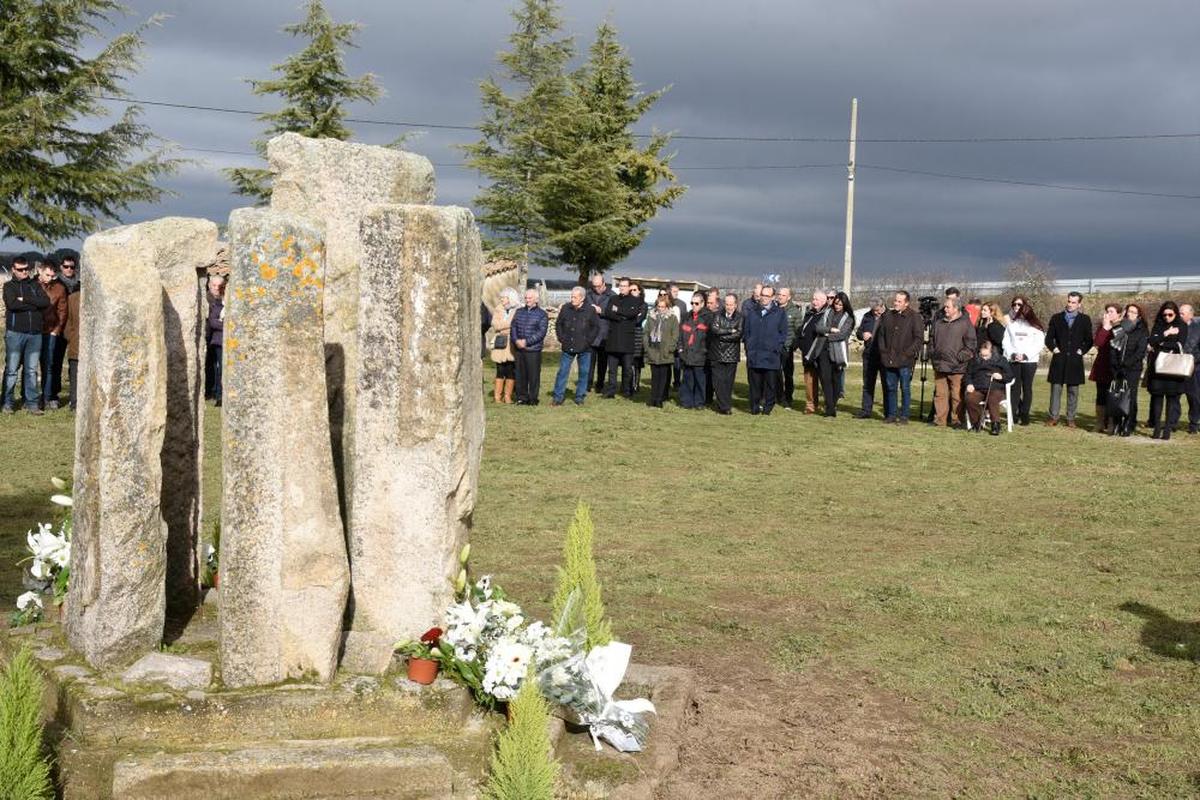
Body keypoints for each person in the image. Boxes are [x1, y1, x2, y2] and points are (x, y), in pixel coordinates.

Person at [3, 254, 50, 414]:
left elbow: (45, 302)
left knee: (31, 370)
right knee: (12, 369)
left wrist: (26, 299)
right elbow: (12, 304)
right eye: (20, 269)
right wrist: (33, 305)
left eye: (26, 269)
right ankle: (7, 403)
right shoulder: (9, 287)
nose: (24, 272)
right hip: (15, 333)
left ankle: (31, 403)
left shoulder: (35, 286)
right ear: (13, 270)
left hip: (35, 334)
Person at [1043, 292, 1093, 428]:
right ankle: (1053, 417)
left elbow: (1089, 340)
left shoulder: (1085, 319)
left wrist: (1081, 351)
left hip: (1075, 361)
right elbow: (1048, 338)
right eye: (1069, 301)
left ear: (1079, 304)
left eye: (1074, 302)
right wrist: (1055, 349)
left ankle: (1071, 418)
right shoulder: (1056, 318)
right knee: (1056, 389)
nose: (1070, 304)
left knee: (1073, 391)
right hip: (1059, 359)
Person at [874, 290, 924, 424]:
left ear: (906, 303)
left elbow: (918, 339)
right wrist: (883, 353)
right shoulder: (888, 315)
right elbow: (881, 336)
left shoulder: (914, 317)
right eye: (895, 300)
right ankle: (891, 415)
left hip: (905, 361)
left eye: (899, 301)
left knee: (905, 388)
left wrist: (907, 354)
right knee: (890, 388)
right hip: (888, 359)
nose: (896, 303)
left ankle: (904, 416)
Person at [930, 297, 976, 428]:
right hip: (940, 365)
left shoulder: (965, 324)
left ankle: (957, 420)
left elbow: (971, 344)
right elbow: (932, 340)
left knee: (957, 396)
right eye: (944, 306)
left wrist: (960, 357)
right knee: (940, 395)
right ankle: (940, 420)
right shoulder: (938, 323)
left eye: (947, 307)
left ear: (956, 308)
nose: (945, 309)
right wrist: (933, 353)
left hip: (957, 367)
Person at [1146, 301, 1188, 440]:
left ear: (1175, 314)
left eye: (1170, 314)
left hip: (1174, 367)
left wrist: (1162, 343)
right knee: (1157, 397)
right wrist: (1167, 333)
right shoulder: (1159, 325)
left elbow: (1180, 344)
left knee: (1172, 398)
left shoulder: (1182, 325)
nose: (1167, 317)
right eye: (1164, 315)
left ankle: (1168, 429)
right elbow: (1152, 341)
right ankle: (1157, 428)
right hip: (1158, 366)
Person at [743, 285, 787, 414]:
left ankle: (768, 408)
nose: (764, 298)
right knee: (755, 384)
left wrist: (776, 348)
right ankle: (754, 407)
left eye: (767, 296)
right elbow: (747, 331)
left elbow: (783, 333)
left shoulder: (779, 313)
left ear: (773, 297)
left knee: (770, 385)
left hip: (771, 356)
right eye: (762, 295)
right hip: (754, 354)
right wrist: (749, 348)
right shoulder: (752, 312)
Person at [552, 287, 599, 406]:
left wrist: (588, 341)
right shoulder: (565, 308)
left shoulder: (590, 310)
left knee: (583, 373)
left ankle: (580, 397)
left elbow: (595, 327)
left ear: (582, 298)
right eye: (571, 296)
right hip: (567, 345)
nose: (572, 299)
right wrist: (561, 338)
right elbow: (559, 324)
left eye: (575, 297)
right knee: (562, 371)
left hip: (585, 348)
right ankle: (558, 397)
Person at [1003, 296, 1044, 426]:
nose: (1016, 308)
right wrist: (1012, 354)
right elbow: (1006, 342)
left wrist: (1026, 356)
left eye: (1019, 305)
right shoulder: (1011, 325)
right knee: (1014, 388)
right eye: (1014, 305)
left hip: (1029, 362)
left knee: (1027, 388)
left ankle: (1025, 414)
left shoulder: (1035, 327)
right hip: (1014, 361)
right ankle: (1013, 414)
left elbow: (1038, 344)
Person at [1108, 303, 1148, 437]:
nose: (1129, 314)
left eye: (1133, 312)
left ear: (1139, 316)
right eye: (1128, 312)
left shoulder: (1142, 331)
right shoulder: (1119, 328)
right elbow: (1113, 347)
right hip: (1117, 368)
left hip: (1133, 369)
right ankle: (1117, 422)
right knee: (1118, 395)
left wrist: (1127, 364)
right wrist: (1115, 364)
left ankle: (1129, 423)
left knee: (1130, 396)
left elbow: (1140, 352)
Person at [814, 291, 855, 417]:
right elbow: (818, 327)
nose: (837, 306)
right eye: (836, 303)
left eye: (840, 305)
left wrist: (826, 336)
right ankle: (830, 408)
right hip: (824, 350)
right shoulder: (827, 312)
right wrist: (830, 330)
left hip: (838, 352)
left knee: (836, 381)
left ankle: (832, 403)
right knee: (825, 379)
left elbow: (843, 334)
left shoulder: (849, 318)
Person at [601, 278, 643, 398]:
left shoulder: (635, 300)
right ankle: (611, 390)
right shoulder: (613, 299)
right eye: (620, 286)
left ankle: (626, 391)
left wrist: (618, 310)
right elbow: (608, 312)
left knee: (627, 369)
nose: (622, 288)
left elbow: (632, 313)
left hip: (627, 339)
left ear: (629, 287)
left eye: (624, 286)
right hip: (613, 338)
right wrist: (622, 316)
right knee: (612, 370)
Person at [36, 257, 68, 410]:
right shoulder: (32, 286)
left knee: (48, 365)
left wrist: (57, 330)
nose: (50, 278)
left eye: (52, 276)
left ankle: (48, 397)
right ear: (40, 271)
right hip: (33, 331)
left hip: (50, 331)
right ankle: (30, 397)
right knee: (30, 366)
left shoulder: (59, 289)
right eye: (47, 275)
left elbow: (62, 311)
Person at [964, 339, 1013, 434]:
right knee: (970, 398)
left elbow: (1010, 375)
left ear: (992, 351)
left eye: (986, 356)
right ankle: (977, 423)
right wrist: (969, 384)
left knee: (992, 398)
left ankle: (995, 425)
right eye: (982, 355)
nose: (984, 358)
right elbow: (968, 375)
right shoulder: (974, 360)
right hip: (978, 388)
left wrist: (1001, 376)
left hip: (996, 388)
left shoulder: (1001, 360)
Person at [49, 252, 79, 403]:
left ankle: (76, 396)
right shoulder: (56, 285)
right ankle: (54, 395)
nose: (69, 269)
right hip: (59, 326)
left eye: (71, 267)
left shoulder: (79, 285)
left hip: (75, 328)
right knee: (56, 362)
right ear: (61, 267)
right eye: (66, 266)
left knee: (75, 361)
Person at [511, 289, 548, 405]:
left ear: (536, 299)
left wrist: (526, 342)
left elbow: (541, 333)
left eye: (530, 298)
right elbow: (513, 327)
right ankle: (522, 398)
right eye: (526, 297)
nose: (527, 300)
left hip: (533, 350)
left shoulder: (542, 314)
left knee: (533, 376)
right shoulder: (519, 312)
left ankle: (533, 399)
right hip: (519, 349)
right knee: (520, 375)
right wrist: (516, 340)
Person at [1088, 303, 1122, 434]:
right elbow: (1098, 343)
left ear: (1119, 314)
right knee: (1101, 395)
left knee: (1113, 396)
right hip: (1102, 365)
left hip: (1115, 366)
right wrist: (1105, 327)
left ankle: (1112, 423)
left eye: (1112, 311)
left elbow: (1117, 344)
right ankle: (1100, 422)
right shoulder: (1103, 326)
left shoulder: (1122, 327)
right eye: (1107, 311)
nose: (1108, 314)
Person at [644, 293, 679, 408]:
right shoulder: (651, 317)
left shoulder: (672, 318)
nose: (660, 309)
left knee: (663, 377)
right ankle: (653, 398)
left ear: (667, 307)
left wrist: (670, 348)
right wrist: (647, 347)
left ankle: (659, 399)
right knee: (655, 377)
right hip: (653, 350)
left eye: (663, 307)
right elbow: (646, 333)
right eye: (659, 306)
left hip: (665, 352)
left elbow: (675, 335)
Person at [710, 293, 743, 415]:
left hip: (731, 354)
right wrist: (729, 331)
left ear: (735, 305)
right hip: (717, 353)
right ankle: (724, 406)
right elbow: (714, 330)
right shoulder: (717, 315)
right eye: (727, 304)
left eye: (731, 304)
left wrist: (721, 336)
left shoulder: (740, 317)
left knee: (728, 382)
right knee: (718, 381)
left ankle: (724, 404)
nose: (729, 307)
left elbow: (738, 335)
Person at [797, 290, 828, 414]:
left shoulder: (827, 314)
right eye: (813, 299)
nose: (814, 302)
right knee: (809, 381)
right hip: (807, 353)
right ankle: (810, 405)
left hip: (821, 353)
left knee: (824, 380)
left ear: (824, 301)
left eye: (817, 300)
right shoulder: (809, 313)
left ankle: (828, 404)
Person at [677, 294, 710, 409]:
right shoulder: (686, 317)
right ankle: (686, 402)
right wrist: (680, 349)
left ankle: (699, 403)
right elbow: (680, 335)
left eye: (696, 303)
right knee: (687, 380)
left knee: (700, 381)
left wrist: (705, 351)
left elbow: (710, 338)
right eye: (692, 303)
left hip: (700, 355)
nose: (693, 306)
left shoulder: (707, 318)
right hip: (687, 354)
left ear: (702, 304)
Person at [854, 298, 885, 418]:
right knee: (867, 383)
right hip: (869, 354)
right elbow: (859, 332)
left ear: (883, 306)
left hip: (883, 355)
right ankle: (866, 410)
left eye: (878, 310)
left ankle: (888, 412)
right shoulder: (867, 316)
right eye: (874, 311)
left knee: (886, 384)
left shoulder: (888, 316)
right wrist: (863, 334)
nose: (876, 313)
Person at [488, 287, 519, 404]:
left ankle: (507, 396)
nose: (501, 300)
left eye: (503, 298)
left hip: (511, 343)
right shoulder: (498, 309)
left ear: (510, 298)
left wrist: (504, 326)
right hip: (500, 342)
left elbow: (516, 324)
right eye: (501, 298)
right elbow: (495, 325)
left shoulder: (518, 309)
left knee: (511, 369)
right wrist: (508, 326)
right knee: (500, 369)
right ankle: (497, 397)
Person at [586, 275, 616, 393]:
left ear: (604, 284)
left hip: (605, 333)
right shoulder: (588, 294)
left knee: (602, 363)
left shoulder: (612, 296)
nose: (596, 288)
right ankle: (587, 385)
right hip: (590, 333)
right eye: (594, 286)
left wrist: (601, 311)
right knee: (589, 362)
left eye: (598, 286)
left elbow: (614, 314)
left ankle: (600, 385)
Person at [776, 287, 804, 409]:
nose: (780, 297)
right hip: (775, 347)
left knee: (787, 374)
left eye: (783, 295)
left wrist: (794, 345)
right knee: (775, 373)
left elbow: (799, 331)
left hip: (787, 348)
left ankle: (788, 398)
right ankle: (777, 396)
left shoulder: (795, 312)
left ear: (789, 297)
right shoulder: (774, 309)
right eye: (779, 294)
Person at [1179, 303, 1200, 434]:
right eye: (1179, 313)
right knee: (1181, 396)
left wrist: (1194, 359)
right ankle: (1174, 422)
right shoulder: (1175, 327)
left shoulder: (1198, 328)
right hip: (1177, 366)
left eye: (1183, 313)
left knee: (1195, 396)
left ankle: (1194, 423)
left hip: (1195, 366)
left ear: (1191, 314)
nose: (1180, 316)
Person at [205, 276, 226, 406]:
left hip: (217, 338)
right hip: (212, 337)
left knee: (219, 367)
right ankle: (212, 391)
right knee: (212, 366)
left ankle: (217, 393)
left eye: (219, 286)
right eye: (214, 285)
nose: (216, 288)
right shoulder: (208, 298)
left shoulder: (223, 300)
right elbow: (213, 321)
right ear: (209, 285)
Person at [667, 283, 688, 390]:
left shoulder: (682, 304)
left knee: (677, 361)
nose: (676, 293)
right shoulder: (665, 303)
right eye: (674, 291)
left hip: (678, 336)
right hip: (666, 337)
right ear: (669, 291)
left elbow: (684, 321)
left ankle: (677, 382)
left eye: (677, 291)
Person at [628, 283, 648, 394]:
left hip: (637, 334)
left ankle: (635, 385)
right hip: (627, 334)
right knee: (627, 361)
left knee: (636, 362)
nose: (632, 292)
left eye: (635, 290)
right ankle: (627, 384)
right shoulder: (625, 303)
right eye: (630, 290)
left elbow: (638, 320)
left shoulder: (643, 305)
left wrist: (627, 316)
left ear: (640, 291)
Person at [64, 279, 81, 411]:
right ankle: (74, 402)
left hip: (90, 345)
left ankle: (77, 403)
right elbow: (67, 321)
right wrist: (71, 336)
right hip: (76, 342)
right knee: (74, 375)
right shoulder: (72, 299)